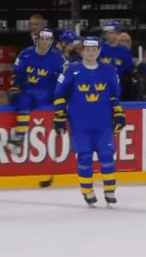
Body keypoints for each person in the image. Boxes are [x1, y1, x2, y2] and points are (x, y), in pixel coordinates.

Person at [53, 36, 125, 207]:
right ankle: (87, 191)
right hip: (80, 124)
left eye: (94, 50)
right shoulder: (71, 70)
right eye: (87, 50)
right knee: (84, 158)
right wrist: (60, 117)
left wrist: (119, 113)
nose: (91, 53)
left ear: (99, 51)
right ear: (82, 51)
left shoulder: (109, 71)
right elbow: (59, 95)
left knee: (107, 157)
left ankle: (110, 191)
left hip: (103, 123)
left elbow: (115, 96)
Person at [7, 28, 64, 154]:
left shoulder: (58, 57)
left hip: (46, 91)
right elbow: (16, 73)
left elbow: (64, 78)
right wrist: (14, 87)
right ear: (37, 39)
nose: (44, 42)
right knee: (23, 99)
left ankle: (19, 135)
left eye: (48, 39)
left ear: (51, 41)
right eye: (42, 38)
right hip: (27, 89)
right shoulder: (26, 53)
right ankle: (19, 136)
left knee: (27, 98)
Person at [99, 21, 136, 101]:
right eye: (106, 33)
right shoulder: (99, 48)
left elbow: (129, 70)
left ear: (118, 34)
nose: (108, 35)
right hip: (100, 85)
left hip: (119, 86)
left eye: (111, 33)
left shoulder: (125, 51)